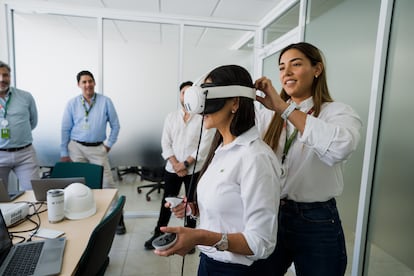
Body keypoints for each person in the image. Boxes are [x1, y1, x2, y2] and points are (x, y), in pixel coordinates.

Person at [155, 65, 281, 276]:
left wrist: (201, 237)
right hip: (209, 261)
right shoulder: (222, 149)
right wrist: (192, 209)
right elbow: (230, 209)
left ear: (234, 102)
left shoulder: (256, 158)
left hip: (236, 269)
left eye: (209, 97)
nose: (201, 109)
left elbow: (261, 242)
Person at [252, 42, 362, 275]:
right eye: (281, 68)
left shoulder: (338, 112)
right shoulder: (267, 115)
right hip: (272, 213)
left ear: (317, 69)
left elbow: (341, 147)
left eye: (296, 64)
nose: (286, 73)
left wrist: (284, 108)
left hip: (317, 221)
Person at [144, 81, 214, 251]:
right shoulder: (171, 117)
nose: (186, 95)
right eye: (184, 92)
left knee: (191, 203)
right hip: (172, 168)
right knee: (167, 202)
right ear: (180, 96)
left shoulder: (202, 118)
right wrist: (176, 164)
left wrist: (185, 164)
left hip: (193, 169)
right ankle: (158, 232)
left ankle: (190, 239)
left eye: (190, 92)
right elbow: (165, 143)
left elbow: (204, 146)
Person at [60, 70, 125, 234]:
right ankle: (85, 216)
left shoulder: (105, 101)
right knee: (81, 183)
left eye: (90, 81)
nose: (87, 84)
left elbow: (116, 125)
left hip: (97, 148)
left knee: (107, 184)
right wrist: (64, 152)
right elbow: (65, 129)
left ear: (94, 83)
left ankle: (117, 220)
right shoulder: (72, 103)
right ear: (79, 85)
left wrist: (108, 145)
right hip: (76, 148)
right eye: (84, 82)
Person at [0, 61, 40, 191]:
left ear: (10, 76)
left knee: (34, 194)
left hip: (25, 154)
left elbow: (33, 122)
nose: (2, 79)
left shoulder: (25, 97)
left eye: (5, 75)